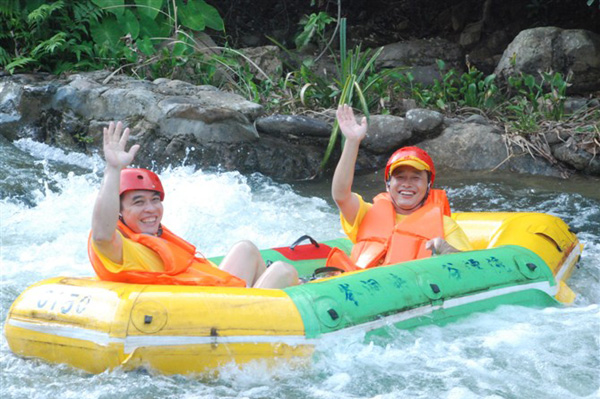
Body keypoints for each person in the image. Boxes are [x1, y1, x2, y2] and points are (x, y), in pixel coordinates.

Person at [89, 121, 298, 288]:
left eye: (155, 200)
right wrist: (113, 169)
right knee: (283, 270)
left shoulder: (154, 238)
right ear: (119, 212)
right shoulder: (120, 249)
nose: (151, 209)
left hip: (214, 295)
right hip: (211, 314)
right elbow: (101, 234)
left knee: (246, 249)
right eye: (138, 202)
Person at [327, 104, 472, 270]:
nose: (407, 184)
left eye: (416, 178)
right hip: (361, 282)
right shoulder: (365, 214)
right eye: (400, 177)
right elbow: (340, 195)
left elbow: (472, 267)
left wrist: (448, 251)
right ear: (388, 184)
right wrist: (352, 142)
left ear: (428, 186)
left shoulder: (446, 226)